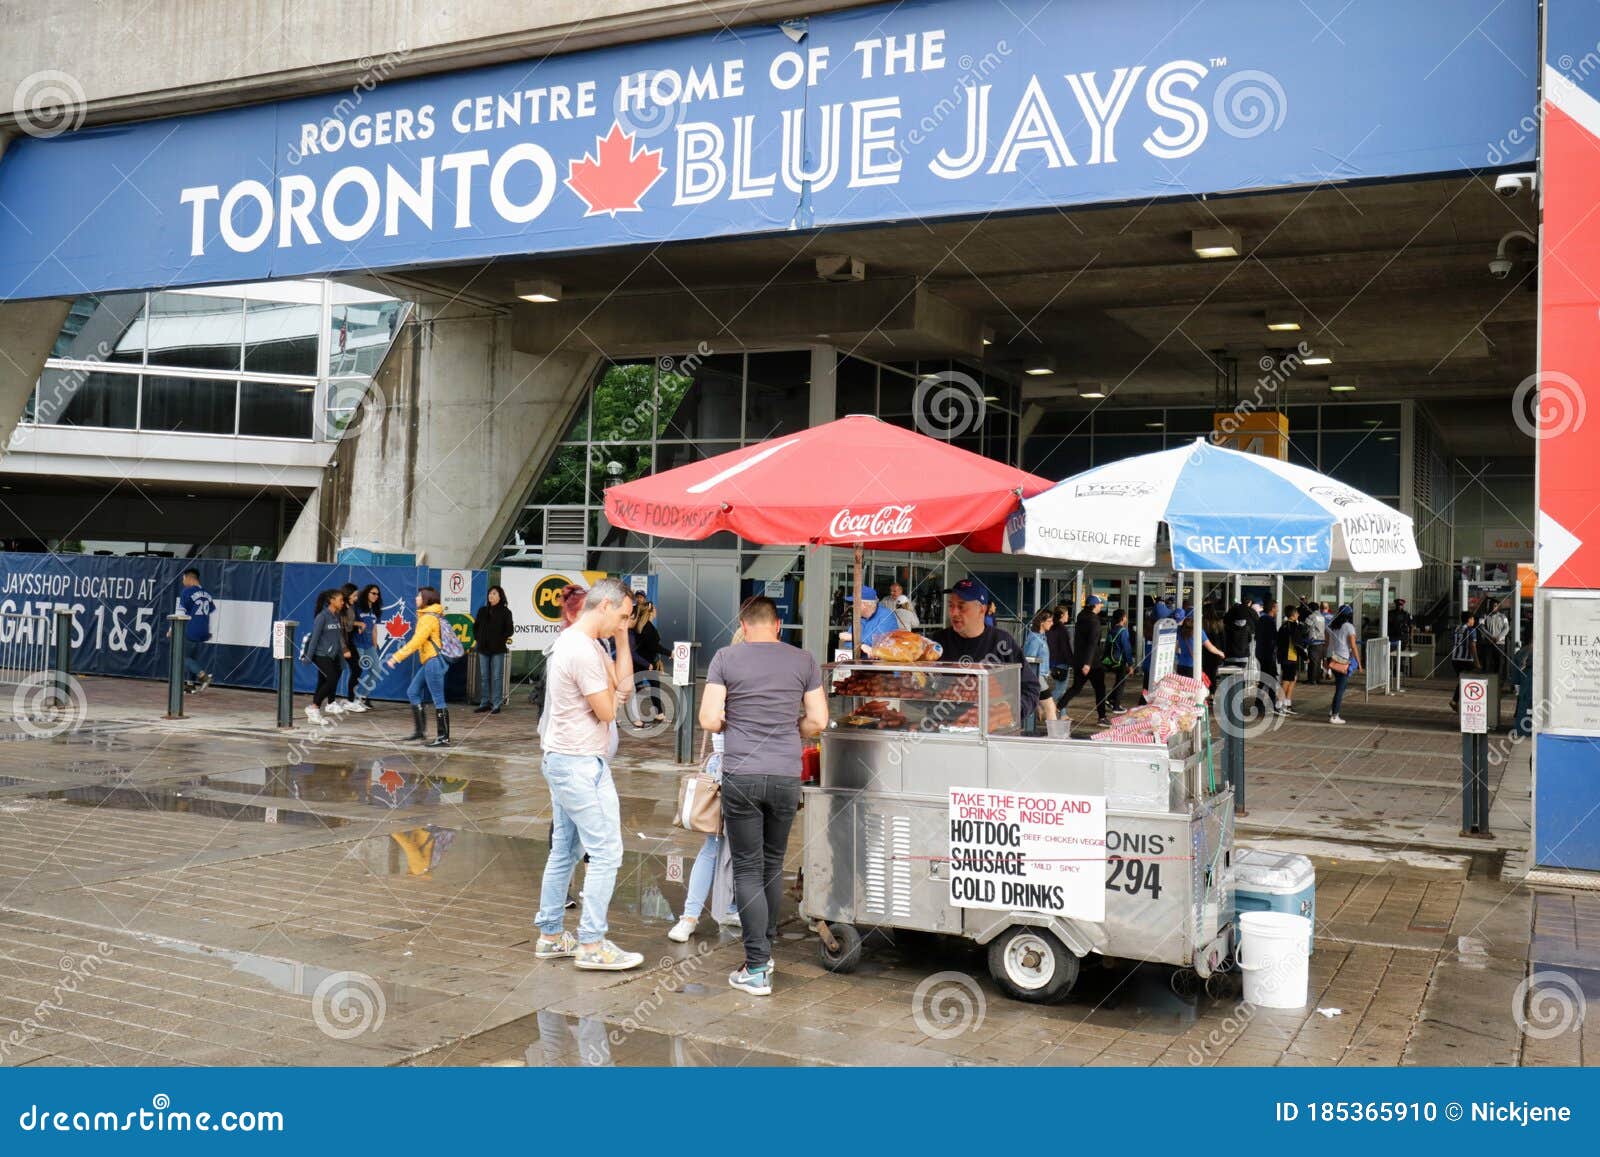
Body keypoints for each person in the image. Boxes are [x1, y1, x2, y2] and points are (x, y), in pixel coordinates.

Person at [700, 596, 828, 996]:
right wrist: (793, 731)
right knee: (772, 865)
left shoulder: (725, 657)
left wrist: (731, 721)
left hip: (743, 775)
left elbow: (708, 718)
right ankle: (764, 951)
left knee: (748, 869)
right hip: (787, 775)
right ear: (777, 624)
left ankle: (757, 967)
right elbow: (819, 720)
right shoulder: (803, 660)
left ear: (743, 623)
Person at [533, 578, 644, 972]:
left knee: (565, 850)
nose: (625, 622)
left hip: (570, 760)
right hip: (578, 763)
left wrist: (623, 640)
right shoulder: (580, 649)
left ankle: (550, 936)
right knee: (607, 852)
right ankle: (592, 944)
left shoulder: (589, 642)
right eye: (623, 615)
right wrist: (612, 694)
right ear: (604, 607)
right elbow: (610, 710)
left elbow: (625, 687)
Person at [929, 578, 1040, 722]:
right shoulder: (936, 643)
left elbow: (1030, 688)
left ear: (982, 609)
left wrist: (1009, 711)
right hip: (940, 731)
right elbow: (917, 691)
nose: (954, 612)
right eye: (951, 605)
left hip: (991, 733)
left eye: (961, 606)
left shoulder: (1002, 642)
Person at [386, 586, 453, 748]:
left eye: (418, 596)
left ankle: (443, 737)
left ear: (426, 599)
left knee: (438, 699)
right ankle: (420, 731)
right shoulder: (428, 615)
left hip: (433, 661)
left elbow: (417, 641)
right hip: (429, 661)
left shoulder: (428, 618)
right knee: (413, 691)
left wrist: (396, 657)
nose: (416, 599)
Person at [1055, 595, 1108, 726]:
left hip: (1078, 659)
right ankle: (1102, 717)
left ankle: (1057, 707)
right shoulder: (1094, 620)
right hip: (1092, 663)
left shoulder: (1081, 616)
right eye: (1100, 604)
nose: (1101, 606)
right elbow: (1092, 643)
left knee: (1076, 688)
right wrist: (1088, 663)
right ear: (1094, 605)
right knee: (1100, 689)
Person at [304, 588, 350, 726]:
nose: (343, 602)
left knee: (322, 681)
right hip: (321, 654)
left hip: (333, 655)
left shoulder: (336, 616)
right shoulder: (322, 617)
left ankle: (315, 714)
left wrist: (342, 652)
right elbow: (315, 638)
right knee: (332, 678)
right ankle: (313, 707)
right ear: (332, 600)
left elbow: (338, 637)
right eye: (340, 600)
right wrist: (309, 656)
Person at [627, 598, 669, 727]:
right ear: (651, 612)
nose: (656, 611)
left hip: (643, 662)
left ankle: (659, 714)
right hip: (645, 663)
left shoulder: (643, 626)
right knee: (636, 690)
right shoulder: (647, 627)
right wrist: (670, 653)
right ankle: (631, 717)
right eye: (654, 609)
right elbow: (654, 646)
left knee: (648, 687)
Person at [473, 585, 514, 714]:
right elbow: (476, 627)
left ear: (500, 596)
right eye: (490, 593)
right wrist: (479, 639)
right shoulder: (482, 611)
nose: (491, 596)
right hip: (483, 648)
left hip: (498, 649)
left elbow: (509, 630)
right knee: (484, 677)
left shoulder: (506, 612)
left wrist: (499, 640)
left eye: (494, 593)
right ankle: (484, 702)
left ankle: (496, 704)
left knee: (497, 677)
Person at [174, 567, 215, 693]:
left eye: (184, 578)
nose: (183, 582)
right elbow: (211, 611)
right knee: (192, 657)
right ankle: (190, 684)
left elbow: (180, 612)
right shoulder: (207, 594)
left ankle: (203, 676)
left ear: (190, 578)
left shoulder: (187, 592)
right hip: (203, 630)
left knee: (181, 657)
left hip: (191, 629)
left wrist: (172, 628)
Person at [1021, 609, 1059, 732]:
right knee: (1050, 706)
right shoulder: (1035, 639)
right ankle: (1054, 735)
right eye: (1050, 620)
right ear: (1042, 622)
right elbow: (1029, 660)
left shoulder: (1041, 637)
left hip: (1041, 676)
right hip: (1037, 677)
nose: (1052, 623)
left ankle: (1037, 708)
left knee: (1049, 706)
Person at [335, 581, 368, 713]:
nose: (356, 598)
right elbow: (339, 630)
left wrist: (358, 625)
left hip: (349, 641)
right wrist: (344, 648)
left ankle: (350, 700)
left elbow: (348, 624)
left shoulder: (350, 607)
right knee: (335, 673)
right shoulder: (341, 609)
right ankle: (333, 702)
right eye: (354, 595)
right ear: (348, 595)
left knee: (357, 669)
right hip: (341, 643)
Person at [351, 583, 383, 708]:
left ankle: (362, 697)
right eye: (373, 593)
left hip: (369, 645)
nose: (376, 596)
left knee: (376, 670)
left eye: (377, 594)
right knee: (357, 671)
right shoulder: (357, 607)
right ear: (366, 593)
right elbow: (347, 621)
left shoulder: (375, 610)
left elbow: (374, 629)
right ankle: (352, 699)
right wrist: (358, 623)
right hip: (357, 643)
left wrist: (375, 645)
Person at [1325, 604, 1359, 724]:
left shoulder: (1330, 625)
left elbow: (1326, 643)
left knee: (1341, 686)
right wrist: (1359, 663)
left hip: (1331, 658)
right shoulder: (1349, 627)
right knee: (1340, 688)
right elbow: (1353, 646)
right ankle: (1334, 715)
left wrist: (1325, 660)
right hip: (1342, 660)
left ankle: (1333, 710)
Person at [844, 586, 900, 655]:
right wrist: (862, 645)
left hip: (883, 663)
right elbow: (848, 644)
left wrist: (852, 638)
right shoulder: (860, 617)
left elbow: (875, 643)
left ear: (863, 605)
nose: (852, 606)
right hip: (861, 662)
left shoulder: (886, 616)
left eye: (854, 602)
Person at [1174, 607, 1225, 679]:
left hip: (1181, 665)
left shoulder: (1179, 630)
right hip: (1193, 667)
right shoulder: (1198, 631)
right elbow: (1210, 648)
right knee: (1193, 688)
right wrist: (1220, 652)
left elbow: (1176, 648)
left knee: (1183, 689)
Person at [1102, 608, 1135, 713]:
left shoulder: (1112, 629)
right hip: (1119, 661)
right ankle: (1116, 706)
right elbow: (1127, 648)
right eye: (1125, 616)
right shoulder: (1123, 631)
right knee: (1121, 683)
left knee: (1118, 681)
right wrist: (1130, 664)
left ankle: (1110, 700)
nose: (1126, 618)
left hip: (1110, 660)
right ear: (1122, 618)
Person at [1447, 611, 1480, 711]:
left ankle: (1456, 701)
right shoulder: (1471, 630)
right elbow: (1472, 646)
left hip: (1455, 658)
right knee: (1470, 680)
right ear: (1469, 619)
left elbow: (1453, 640)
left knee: (1462, 680)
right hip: (1466, 660)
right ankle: (1461, 702)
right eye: (1473, 619)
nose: (1474, 620)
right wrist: (1477, 662)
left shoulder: (1457, 628)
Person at [1254, 600, 1280, 716]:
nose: (1278, 609)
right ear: (1272, 608)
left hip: (1261, 652)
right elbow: (1272, 639)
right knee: (1271, 680)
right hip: (1268, 654)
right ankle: (1271, 705)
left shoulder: (1261, 619)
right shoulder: (1269, 621)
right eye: (1277, 607)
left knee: (1264, 679)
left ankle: (1259, 703)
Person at [1275, 604, 1301, 714]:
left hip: (1289, 656)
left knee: (1292, 679)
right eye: (1297, 613)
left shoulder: (1285, 626)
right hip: (1289, 656)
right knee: (1286, 680)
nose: (1298, 615)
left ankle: (1287, 703)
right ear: (1293, 614)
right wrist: (1304, 656)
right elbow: (1296, 643)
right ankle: (1279, 704)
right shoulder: (1292, 626)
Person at [1480, 599, 1510, 682]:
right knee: (1486, 662)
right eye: (1492, 605)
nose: (1493, 607)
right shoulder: (1484, 616)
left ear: (1498, 607)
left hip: (1499, 643)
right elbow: (1481, 627)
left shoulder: (1503, 616)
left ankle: (1498, 681)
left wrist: (1498, 637)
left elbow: (1506, 628)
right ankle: (1485, 680)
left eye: (1495, 606)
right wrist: (1491, 637)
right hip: (1487, 643)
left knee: (1499, 663)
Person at [1302, 600, 1328, 685]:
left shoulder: (1311, 617)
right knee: (1318, 661)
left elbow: (1306, 628)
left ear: (1310, 608)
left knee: (1313, 661)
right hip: (1321, 642)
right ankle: (1317, 678)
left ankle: (1312, 680)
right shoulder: (1322, 617)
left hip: (1313, 641)